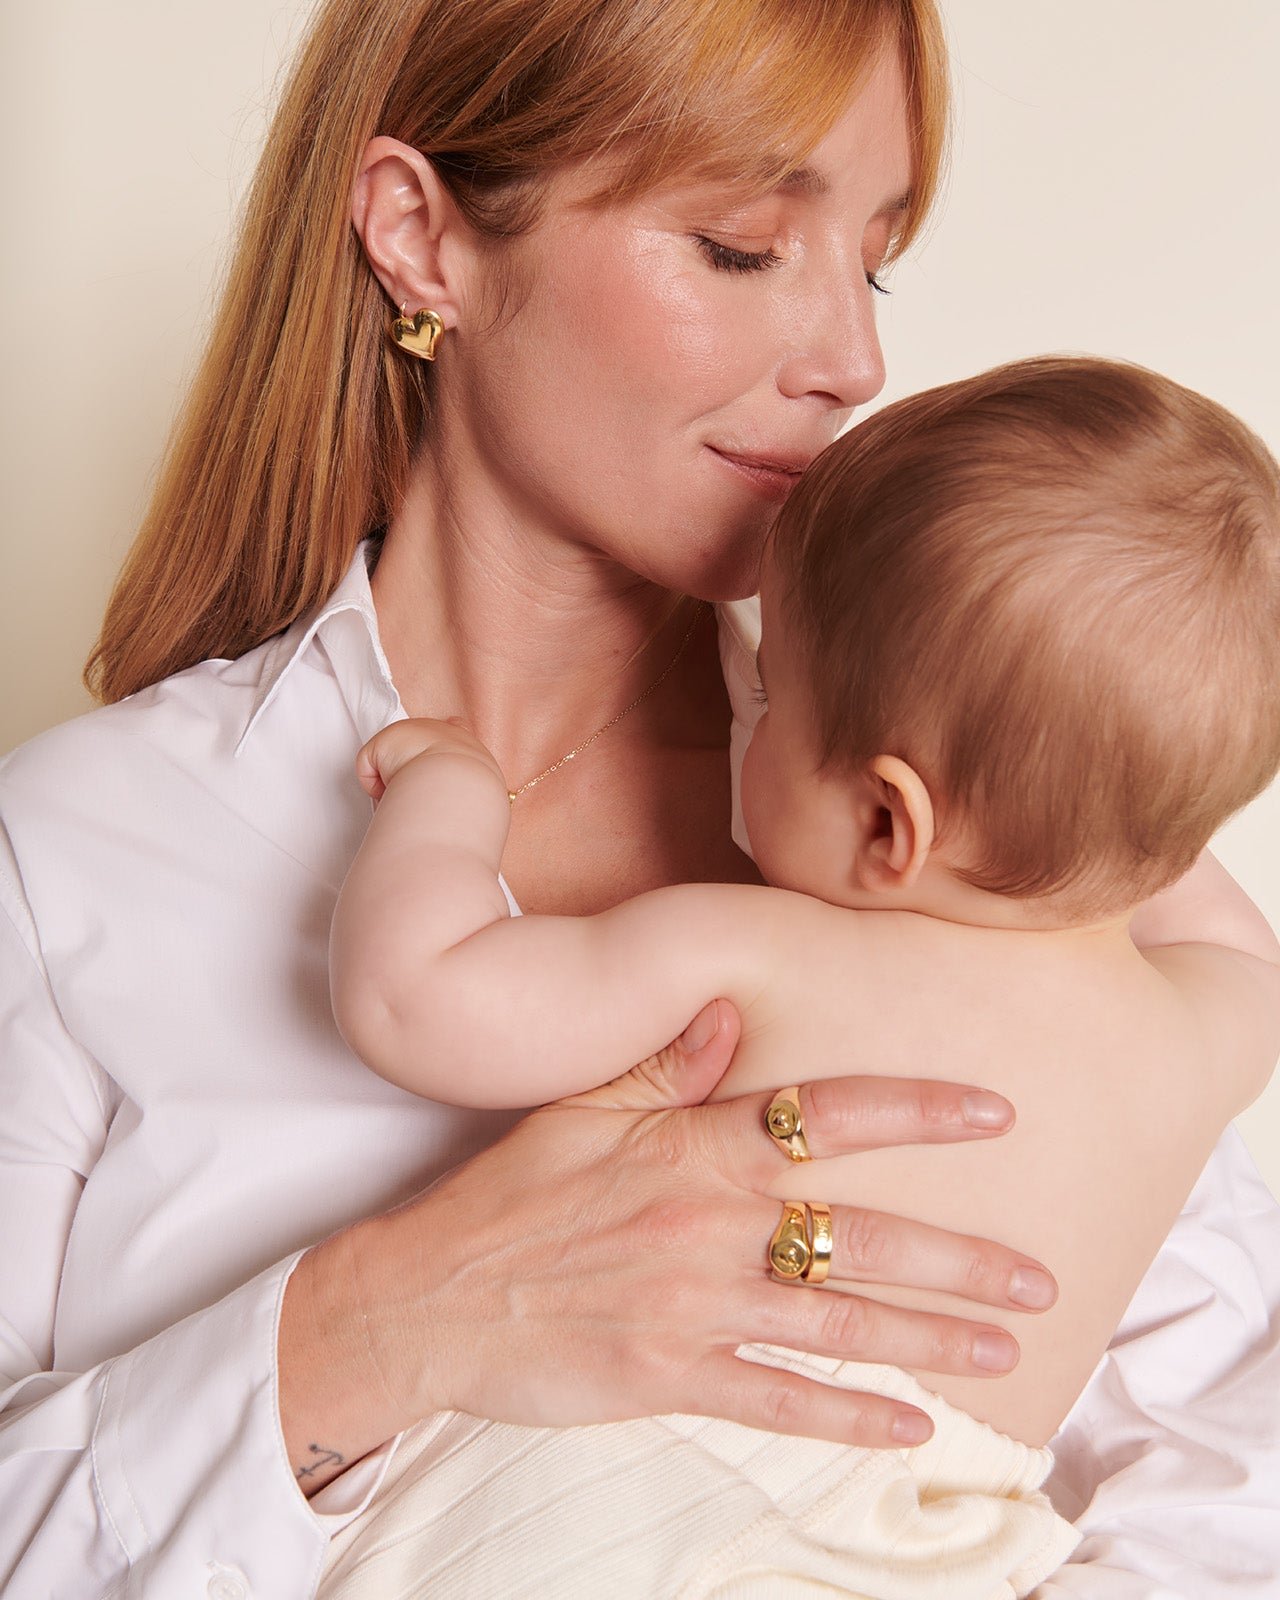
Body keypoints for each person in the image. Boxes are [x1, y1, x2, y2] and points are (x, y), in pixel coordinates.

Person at [0, 2, 1277, 1597]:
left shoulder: (983, 864)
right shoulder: (63, 865)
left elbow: (1233, 1492)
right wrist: (370, 1326)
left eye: (874, 261)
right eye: (744, 247)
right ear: (423, 236)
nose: (854, 364)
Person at [314, 354, 1280, 1595]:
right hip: (943, 1545)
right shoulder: (1204, 1030)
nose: (745, 713)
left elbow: (414, 998)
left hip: (621, 1523)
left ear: (888, 822)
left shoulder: (754, 949)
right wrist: (1106, 755)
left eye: (770, 695)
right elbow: (1227, 929)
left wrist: (450, 793)